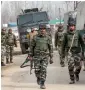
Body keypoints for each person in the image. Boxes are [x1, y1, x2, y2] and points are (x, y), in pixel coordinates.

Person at [30, 24, 53, 89]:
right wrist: (30, 55)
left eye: (43, 29)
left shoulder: (48, 37)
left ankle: (42, 83)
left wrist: (51, 57)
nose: (42, 30)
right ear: (39, 30)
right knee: (37, 70)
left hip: (45, 56)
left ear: (45, 30)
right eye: (41, 29)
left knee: (43, 69)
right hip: (37, 56)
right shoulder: (35, 37)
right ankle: (38, 77)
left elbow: (51, 47)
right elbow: (31, 47)